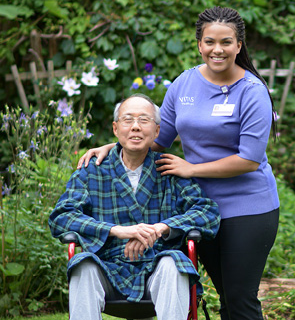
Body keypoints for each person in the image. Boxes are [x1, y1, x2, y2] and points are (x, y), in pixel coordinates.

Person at [77, 6, 280, 320]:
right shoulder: (184, 84)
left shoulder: (252, 91)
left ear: (239, 45)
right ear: (199, 44)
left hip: (248, 208)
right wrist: (112, 145)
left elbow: (250, 160)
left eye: (226, 42)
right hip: (199, 208)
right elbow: (159, 138)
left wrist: (192, 169)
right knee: (226, 297)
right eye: (210, 41)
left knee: (241, 299)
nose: (218, 49)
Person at [49, 94, 220, 320]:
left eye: (144, 120)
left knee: (174, 263)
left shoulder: (170, 169)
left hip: (157, 267)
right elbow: (61, 217)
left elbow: (208, 213)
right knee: (83, 264)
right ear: (115, 128)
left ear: (157, 131)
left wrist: (160, 228)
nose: (136, 127)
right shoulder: (91, 170)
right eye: (128, 120)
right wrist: (117, 230)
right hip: (108, 268)